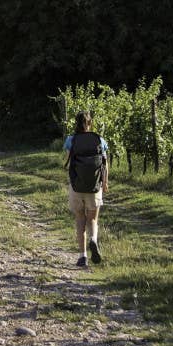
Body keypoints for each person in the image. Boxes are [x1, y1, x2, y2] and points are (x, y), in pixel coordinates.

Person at [64, 110, 109, 268]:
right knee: (93, 219)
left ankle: (82, 256)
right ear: (90, 123)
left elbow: (68, 163)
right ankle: (94, 240)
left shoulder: (71, 140)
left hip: (77, 186)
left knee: (80, 220)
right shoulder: (100, 140)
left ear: (75, 123)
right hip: (94, 187)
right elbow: (104, 163)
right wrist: (105, 183)